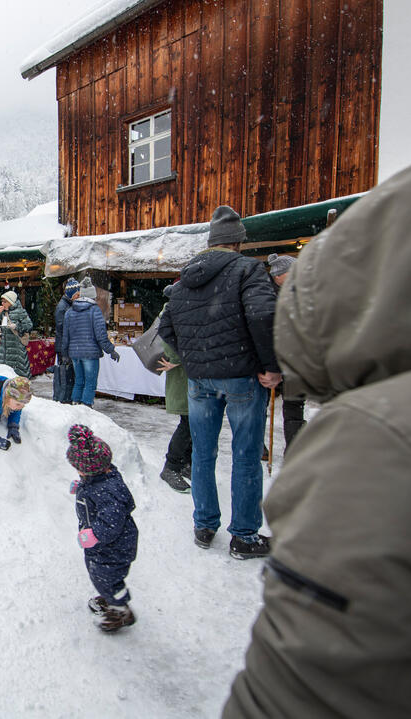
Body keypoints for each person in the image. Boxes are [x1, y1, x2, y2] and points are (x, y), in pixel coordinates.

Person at [223, 146, 411, 719]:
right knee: (244, 453)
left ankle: (222, 522)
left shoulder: (380, 437)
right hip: (244, 380)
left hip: (218, 382)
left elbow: (304, 691)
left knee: (222, 453)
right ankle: (238, 527)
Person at [159, 205, 280, 560]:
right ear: (238, 242)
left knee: (203, 454)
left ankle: (205, 524)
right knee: (245, 456)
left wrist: (196, 358)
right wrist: (271, 365)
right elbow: (263, 315)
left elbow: (166, 328)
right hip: (243, 376)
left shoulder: (184, 280)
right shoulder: (249, 270)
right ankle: (243, 535)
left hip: (200, 382)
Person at [66, 424, 138, 633]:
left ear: (91, 469)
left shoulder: (108, 491)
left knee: (106, 576)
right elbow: (94, 485)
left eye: (79, 470)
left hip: (113, 546)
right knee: (100, 574)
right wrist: (80, 487)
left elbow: (112, 522)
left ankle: (120, 609)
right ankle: (109, 595)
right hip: (104, 545)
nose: (78, 473)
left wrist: (94, 535)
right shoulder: (99, 478)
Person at [265, 253, 306, 452]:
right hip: (270, 358)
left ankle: (294, 448)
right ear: (279, 275)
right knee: (260, 405)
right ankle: (257, 446)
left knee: (294, 406)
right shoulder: (265, 295)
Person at [61, 277, 119, 407]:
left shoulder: (69, 312)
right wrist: (111, 350)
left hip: (74, 353)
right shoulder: (94, 310)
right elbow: (101, 335)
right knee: (90, 382)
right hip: (90, 353)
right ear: (92, 296)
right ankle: (86, 406)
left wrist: (65, 353)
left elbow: (66, 336)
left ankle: (76, 403)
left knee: (79, 381)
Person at [156, 283, 191, 493]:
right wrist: (177, 359)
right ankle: (172, 465)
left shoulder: (178, 310)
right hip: (182, 375)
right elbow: (168, 340)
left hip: (187, 374)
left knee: (192, 422)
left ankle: (186, 462)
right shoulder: (170, 312)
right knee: (188, 421)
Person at [0, 290, 33, 378]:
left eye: (5, 301)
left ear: (11, 302)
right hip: (4, 348)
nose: (3, 303)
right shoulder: (2, 312)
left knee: (18, 374)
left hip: (16, 348)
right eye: (2, 301)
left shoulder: (21, 312)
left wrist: (16, 326)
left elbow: (29, 326)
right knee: (4, 373)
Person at [52, 277, 80, 403]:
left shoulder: (68, 305)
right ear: (71, 294)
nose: (78, 297)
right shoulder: (62, 307)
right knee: (64, 373)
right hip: (63, 346)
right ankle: (63, 397)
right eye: (77, 294)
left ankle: (66, 396)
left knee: (67, 374)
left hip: (66, 345)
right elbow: (62, 328)